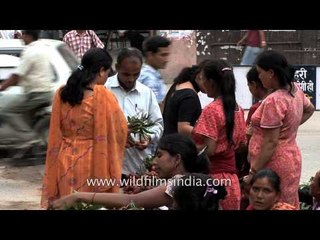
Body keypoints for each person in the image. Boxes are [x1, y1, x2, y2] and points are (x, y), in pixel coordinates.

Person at [41, 48, 128, 209]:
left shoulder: (61, 93)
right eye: (108, 72)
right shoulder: (103, 95)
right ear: (101, 71)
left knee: (67, 203)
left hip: (64, 160)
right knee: (89, 204)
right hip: (93, 162)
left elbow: (55, 131)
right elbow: (121, 129)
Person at [50, 133, 212, 210]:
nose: (154, 161)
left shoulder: (179, 183)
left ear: (177, 159)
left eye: (159, 155)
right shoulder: (190, 180)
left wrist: (77, 196)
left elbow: (131, 200)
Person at [244, 50, 315, 208]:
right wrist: (289, 129)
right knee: (287, 202)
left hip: (274, 161)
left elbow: (270, 142)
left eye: (260, 72)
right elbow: (310, 109)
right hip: (291, 156)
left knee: (272, 203)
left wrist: (253, 173)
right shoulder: (294, 90)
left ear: (270, 73)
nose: (259, 76)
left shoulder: (274, 101)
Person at [191, 60, 246, 210]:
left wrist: (189, 149)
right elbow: (241, 145)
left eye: (202, 79)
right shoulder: (238, 109)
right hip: (232, 181)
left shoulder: (212, 110)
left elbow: (209, 150)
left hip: (213, 179)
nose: (201, 84)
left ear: (212, 82)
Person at [105, 47, 163, 176]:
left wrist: (148, 137)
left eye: (136, 74)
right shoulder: (104, 89)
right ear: (117, 67)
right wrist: (118, 133)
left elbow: (158, 125)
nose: (131, 79)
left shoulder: (146, 93)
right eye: (126, 74)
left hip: (138, 167)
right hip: (108, 166)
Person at [0, 30, 54, 148]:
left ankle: (28, 137)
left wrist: (2, 87)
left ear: (28, 36)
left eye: (23, 35)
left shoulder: (30, 51)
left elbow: (17, 76)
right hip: (47, 92)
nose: (21, 38)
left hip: (36, 94)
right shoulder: (43, 46)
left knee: (5, 109)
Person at [162, 65, 204, 136]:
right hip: (178, 144)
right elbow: (183, 128)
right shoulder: (189, 96)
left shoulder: (177, 86)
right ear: (199, 77)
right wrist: (207, 134)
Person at [138, 36, 171, 108]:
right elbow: (155, 108)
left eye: (167, 55)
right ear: (150, 55)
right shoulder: (149, 78)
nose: (166, 59)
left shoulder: (152, 73)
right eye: (163, 55)